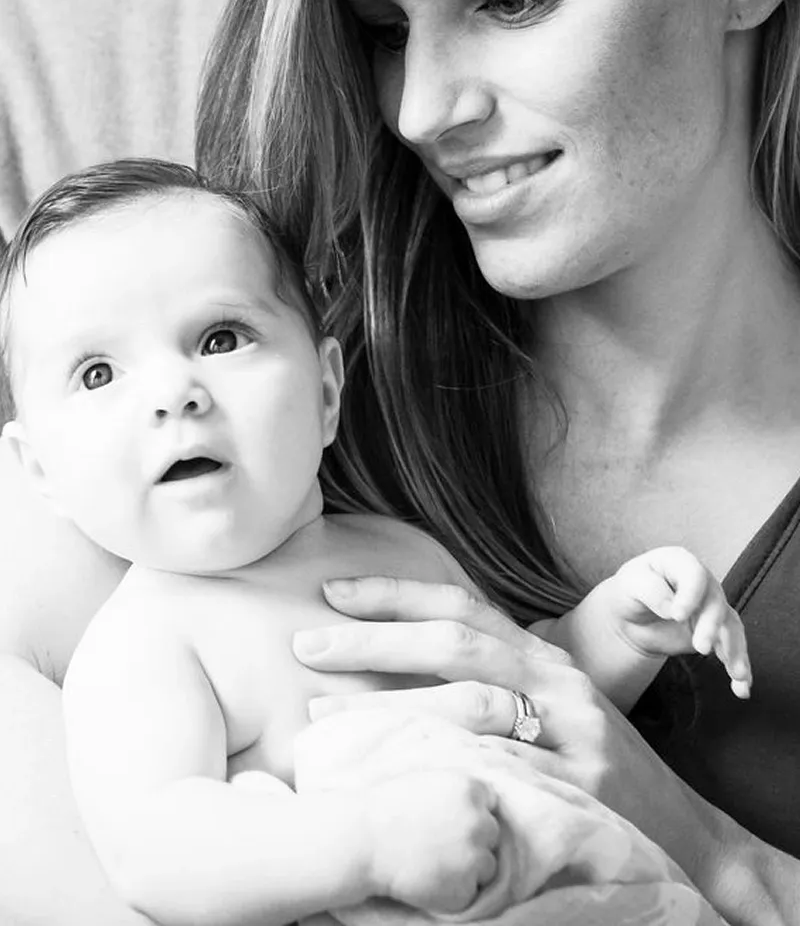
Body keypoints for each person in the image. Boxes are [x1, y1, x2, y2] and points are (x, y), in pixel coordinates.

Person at [2, 0, 800, 924]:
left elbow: (545, 678)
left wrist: (698, 837)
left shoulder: (299, 425)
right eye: (382, 30)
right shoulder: (258, 398)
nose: (419, 109)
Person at [0, 156, 748, 926]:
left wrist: (617, 634)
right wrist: (369, 846)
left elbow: (523, 698)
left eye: (221, 339)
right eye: (98, 374)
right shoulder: (145, 646)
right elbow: (157, 852)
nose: (173, 394)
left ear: (326, 392)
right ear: (39, 471)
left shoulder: (403, 554)